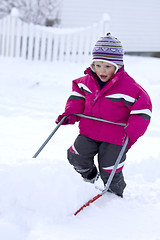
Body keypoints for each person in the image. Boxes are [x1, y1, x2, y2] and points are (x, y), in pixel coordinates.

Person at [56, 33, 152, 197]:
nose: (102, 70)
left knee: (109, 167)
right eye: (98, 65)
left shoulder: (130, 88)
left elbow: (143, 110)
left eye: (107, 66)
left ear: (118, 66)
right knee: (75, 156)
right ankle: (90, 176)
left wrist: (132, 131)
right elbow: (77, 97)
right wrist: (70, 113)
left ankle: (115, 194)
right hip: (90, 130)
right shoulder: (85, 82)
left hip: (116, 135)